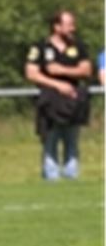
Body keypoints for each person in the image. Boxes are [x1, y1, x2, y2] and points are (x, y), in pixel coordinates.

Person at [25, 10, 92, 181]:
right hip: (50, 102)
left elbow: (86, 69)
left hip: (73, 102)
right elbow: (32, 73)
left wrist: (61, 70)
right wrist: (58, 84)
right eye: (69, 25)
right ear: (56, 27)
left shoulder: (78, 46)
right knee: (50, 141)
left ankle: (72, 177)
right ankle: (51, 177)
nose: (73, 28)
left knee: (72, 141)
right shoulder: (40, 47)